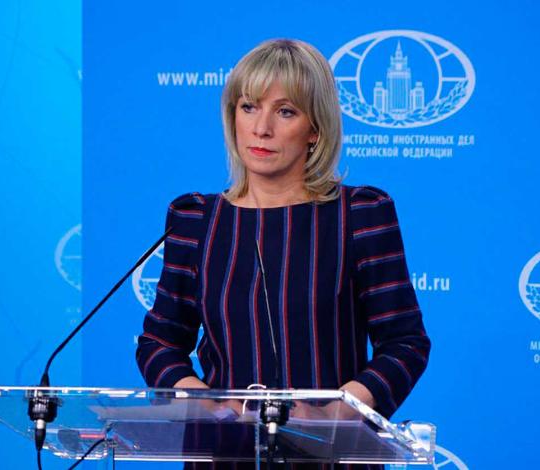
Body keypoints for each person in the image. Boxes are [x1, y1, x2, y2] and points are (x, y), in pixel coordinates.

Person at [136, 38, 430, 459]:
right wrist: (206, 404)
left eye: (285, 111)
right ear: (232, 116)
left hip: (331, 458)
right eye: (249, 107)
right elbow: (159, 343)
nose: (262, 128)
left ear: (315, 129)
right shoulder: (196, 221)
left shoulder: (360, 215)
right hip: (224, 456)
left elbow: (404, 343)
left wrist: (337, 412)